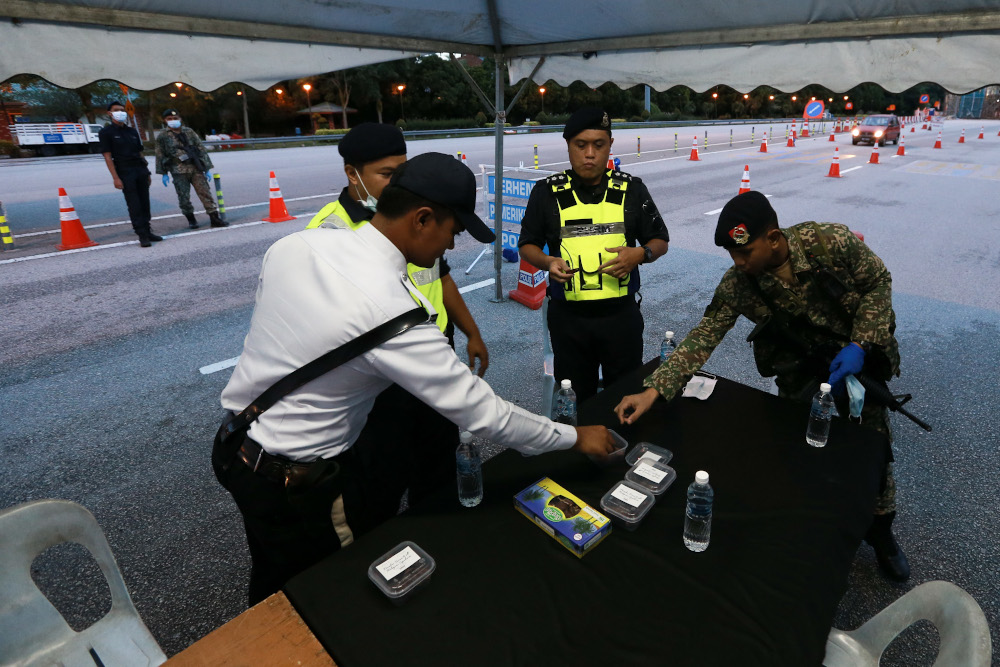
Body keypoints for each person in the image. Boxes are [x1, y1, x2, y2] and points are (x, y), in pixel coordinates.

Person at [216, 152, 615, 604]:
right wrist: (575, 437)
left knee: (271, 577)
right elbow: (488, 416)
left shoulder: (295, 246)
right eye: (453, 232)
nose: (449, 247)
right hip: (299, 484)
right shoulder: (393, 313)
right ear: (423, 218)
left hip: (238, 446)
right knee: (328, 595)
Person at [613, 191, 910, 581]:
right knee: (795, 444)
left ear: (773, 237)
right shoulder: (740, 282)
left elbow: (878, 281)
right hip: (800, 371)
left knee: (872, 448)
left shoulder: (828, 242)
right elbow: (705, 334)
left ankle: (881, 530)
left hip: (858, 360)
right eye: (732, 255)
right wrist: (653, 390)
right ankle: (806, 521)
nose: (739, 262)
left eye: (746, 251)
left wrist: (860, 342)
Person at [306, 122, 489, 521]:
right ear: (352, 173)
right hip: (378, 378)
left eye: (401, 171)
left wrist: (472, 331)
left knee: (438, 461)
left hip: (435, 352)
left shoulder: (416, 211)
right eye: (387, 174)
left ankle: (439, 530)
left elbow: (440, 275)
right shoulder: (330, 231)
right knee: (380, 477)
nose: (397, 182)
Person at [518, 107, 669, 403]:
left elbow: (660, 240)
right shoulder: (545, 193)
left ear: (610, 145)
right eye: (581, 145)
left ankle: (624, 445)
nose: (590, 154)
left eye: (598, 145)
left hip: (620, 318)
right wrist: (548, 262)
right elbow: (527, 245)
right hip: (569, 321)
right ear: (569, 146)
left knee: (625, 393)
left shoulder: (632, 190)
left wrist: (639, 253)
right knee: (576, 397)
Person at [98, 101, 159, 247]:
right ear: (109, 113)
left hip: (140, 170)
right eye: (117, 110)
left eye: (122, 110)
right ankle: (141, 234)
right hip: (125, 171)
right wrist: (116, 178)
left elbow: (140, 152)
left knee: (145, 202)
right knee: (134, 204)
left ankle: (148, 230)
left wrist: (147, 172)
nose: (120, 112)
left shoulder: (132, 131)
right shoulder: (106, 133)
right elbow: (107, 156)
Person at [154, 109, 227, 229]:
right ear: (165, 120)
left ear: (180, 119)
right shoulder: (162, 136)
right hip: (178, 170)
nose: (173, 121)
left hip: (195, 168)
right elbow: (160, 154)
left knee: (205, 193)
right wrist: (163, 173)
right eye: (169, 119)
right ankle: (191, 219)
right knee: (183, 197)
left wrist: (207, 168)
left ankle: (214, 218)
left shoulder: (189, 131)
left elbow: (200, 148)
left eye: (175, 118)